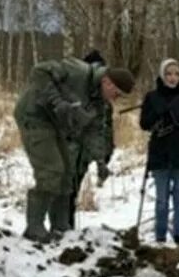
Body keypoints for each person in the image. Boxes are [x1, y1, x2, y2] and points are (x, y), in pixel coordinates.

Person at [13, 57, 135, 242]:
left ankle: (60, 226)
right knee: (52, 169)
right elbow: (40, 71)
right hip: (35, 115)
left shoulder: (99, 103)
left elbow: (95, 133)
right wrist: (58, 102)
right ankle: (34, 227)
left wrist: (100, 161)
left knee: (68, 172)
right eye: (116, 94)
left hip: (58, 125)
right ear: (107, 82)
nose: (115, 99)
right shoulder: (77, 71)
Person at [139, 59, 179, 245]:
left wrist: (175, 114)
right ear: (162, 75)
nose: (172, 78)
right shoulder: (152, 97)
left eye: (176, 74)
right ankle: (160, 238)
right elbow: (144, 123)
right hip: (160, 156)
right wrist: (159, 114)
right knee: (161, 200)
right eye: (168, 74)